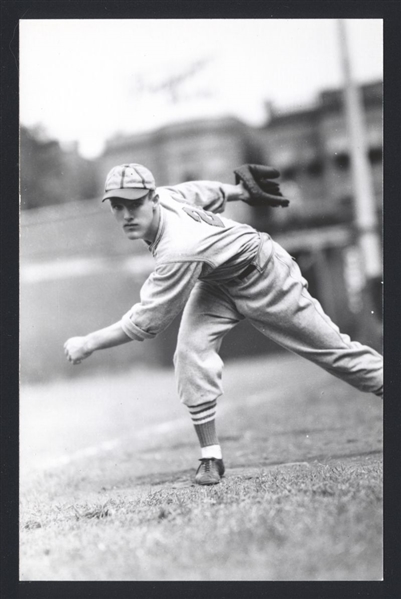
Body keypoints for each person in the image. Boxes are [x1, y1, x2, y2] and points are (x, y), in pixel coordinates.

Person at [64, 163, 383, 485]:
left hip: (264, 273)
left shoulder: (178, 249)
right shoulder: (169, 199)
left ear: (153, 199)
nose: (127, 214)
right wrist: (238, 192)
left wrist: (89, 342)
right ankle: (211, 457)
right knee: (190, 352)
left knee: (335, 353)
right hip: (219, 281)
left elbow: (147, 322)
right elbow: (198, 191)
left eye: (135, 204)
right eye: (118, 206)